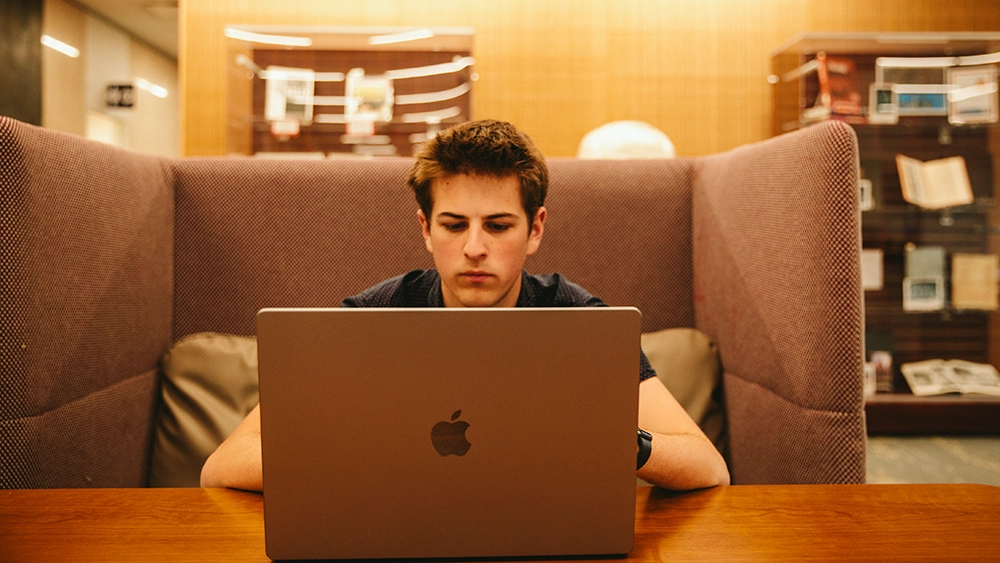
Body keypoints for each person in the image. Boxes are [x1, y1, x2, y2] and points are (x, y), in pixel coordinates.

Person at [200, 119, 730, 491]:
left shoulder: (578, 319)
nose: (475, 248)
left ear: (535, 229)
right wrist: (373, 447)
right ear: (426, 229)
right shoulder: (373, 318)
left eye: (498, 226)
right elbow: (225, 465)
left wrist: (611, 439)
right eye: (454, 225)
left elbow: (707, 466)